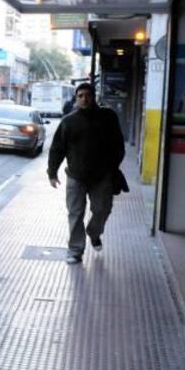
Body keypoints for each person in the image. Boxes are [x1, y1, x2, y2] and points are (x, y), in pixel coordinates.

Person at [47, 83, 125, 264]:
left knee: (102, 210)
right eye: (80, 95)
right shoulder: (68, 121)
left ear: (94, 96)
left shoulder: (108, 117)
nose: (84, 98)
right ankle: (75, 250)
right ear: (76, 98)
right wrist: (52, 172)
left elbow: (118, 145)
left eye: (87, 95)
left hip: (102, 176)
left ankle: (94, 232)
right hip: (76, 176)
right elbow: (57, 149)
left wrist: (112, 168)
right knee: (75, 214)